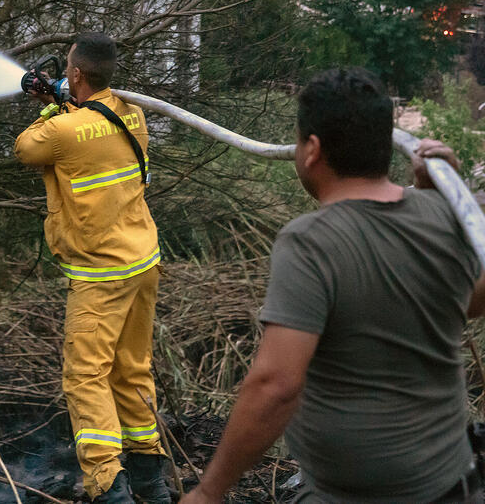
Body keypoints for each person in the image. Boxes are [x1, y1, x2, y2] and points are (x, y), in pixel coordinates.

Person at [182, 67, 485, 504]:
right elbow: (472, 301)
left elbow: (275, 386)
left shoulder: (309, 242)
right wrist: (441, 202)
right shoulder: (439, 213)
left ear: (312, 150)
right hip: (451, 488)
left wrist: (209, 491)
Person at [15, 32, 170, 503]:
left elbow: (27, 148)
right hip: (142, 261)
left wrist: (47, 106)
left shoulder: (60, 130)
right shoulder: (133, 113)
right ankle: (150, 482)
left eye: (67, 69)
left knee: (85, 377)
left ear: (77, 73)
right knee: (131, 369)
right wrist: (65, 100)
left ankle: (108, 485)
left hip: (101, 275)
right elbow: (92, 132)